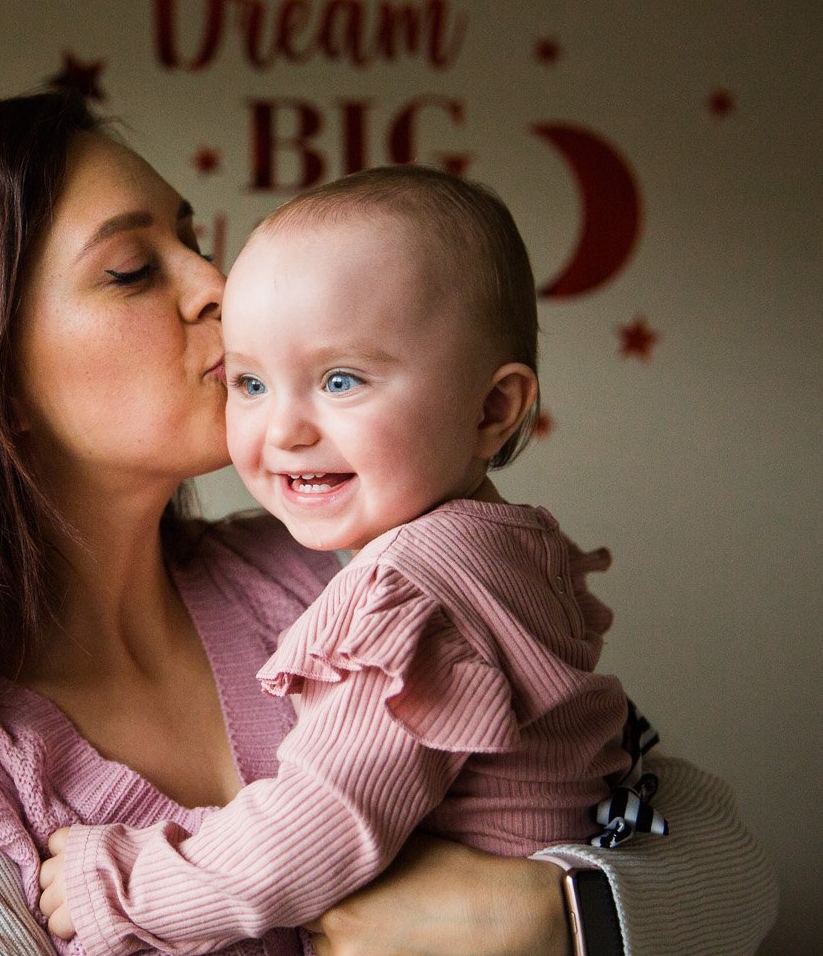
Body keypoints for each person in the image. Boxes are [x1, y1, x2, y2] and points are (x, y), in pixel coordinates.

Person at [0, 92, 777, 956]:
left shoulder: (345, 578)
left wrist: (539, 918)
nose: (218, 290)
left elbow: (728, 870)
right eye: (135, 269)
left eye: (192, 239)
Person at [36, 167, 669, 955]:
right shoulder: (506, 545)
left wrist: (123, 883)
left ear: (492, 408)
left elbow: (320, 827)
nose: (286, 428)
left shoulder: (411, 593)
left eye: (340, 379)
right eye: (251, 382)